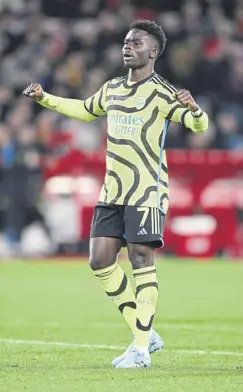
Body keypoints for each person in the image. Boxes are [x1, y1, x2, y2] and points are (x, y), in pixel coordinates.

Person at [23, 20, 209, 368]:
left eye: (136, 43)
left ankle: (140, 351)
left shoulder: (163, 92)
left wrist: (196, 110)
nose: (128, 46)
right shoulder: (111, 89)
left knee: (140, 259)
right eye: (126, 42)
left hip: (146, 191)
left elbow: (198, 126)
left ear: (153, 51)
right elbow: (84, 110)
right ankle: (146, 333)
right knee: (99, 260)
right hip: (112, 190)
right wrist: (45, 99)